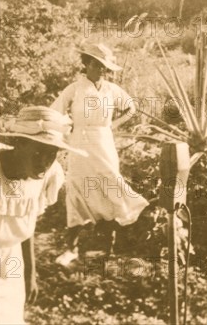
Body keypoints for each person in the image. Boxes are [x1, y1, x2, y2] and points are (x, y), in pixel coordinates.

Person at [0, 106, 87, 325]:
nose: (44, 162)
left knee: (8, 318)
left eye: (51, 155)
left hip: (12, 261)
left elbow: (28, 224)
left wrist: (30, 272)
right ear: (19, 144)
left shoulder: (50, 174)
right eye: (38, 152)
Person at [52, 43, 149, 266]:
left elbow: (131, 108)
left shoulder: (111, 90)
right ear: (86, 64)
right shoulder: (74, 89)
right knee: (77, 190)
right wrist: (68, 128)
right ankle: (71, 249)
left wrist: (112, 125)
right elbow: (56, 112)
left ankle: (108, 249)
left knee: (109, 189)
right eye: (96, 65)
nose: (101, 71)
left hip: (104, 143)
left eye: (104, 68)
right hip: (79, 144)